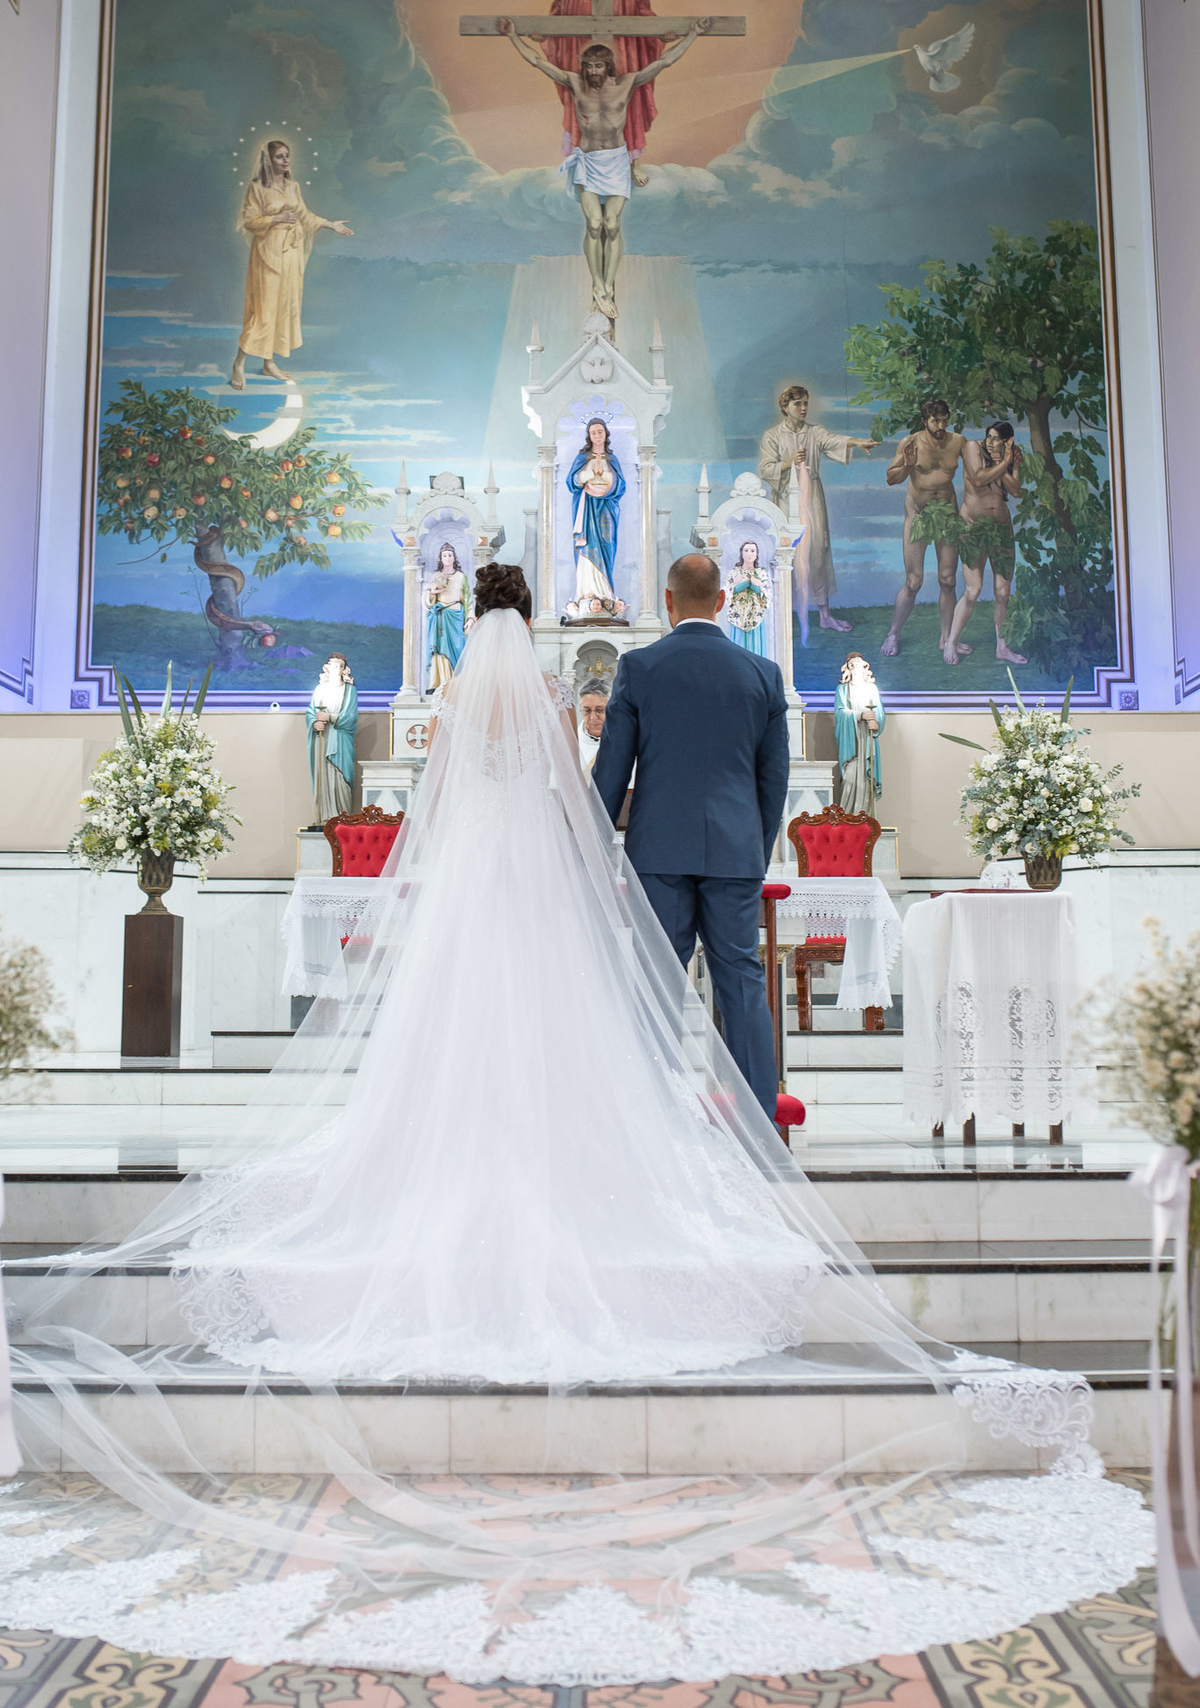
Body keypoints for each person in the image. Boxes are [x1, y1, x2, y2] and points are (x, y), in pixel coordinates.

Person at [1, 566, 1119, 1679]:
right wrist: (644, 837)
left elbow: (548, 783)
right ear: (538, 613)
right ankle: (736, 1141)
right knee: (713, 998)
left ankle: (592, 1123)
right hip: (685, 849)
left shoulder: (564, 676)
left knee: (526, 1017)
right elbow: (692, 782)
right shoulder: (682, 675)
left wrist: (603, 836)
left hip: (536, 871)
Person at [593, 552, 788, 1117]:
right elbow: (772, 779)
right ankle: (757, 1119)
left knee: (658, 981)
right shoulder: (762, 674)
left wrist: (591, 843)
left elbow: (612, 771)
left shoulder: (640, 667)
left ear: (669, 602)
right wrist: (754, 841)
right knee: (741, 980)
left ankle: (655, 1116)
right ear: (723, 602)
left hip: (659, 850)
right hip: (735, 848)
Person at [501, 17, 708, 318]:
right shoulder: (575, 84)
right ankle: (597, 285)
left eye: (598, 67)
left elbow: (664, 61)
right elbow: (537, 61)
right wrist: (511, 35)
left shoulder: (626, 83)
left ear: (608, 66)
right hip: (587, 162)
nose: (593, 72)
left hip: (615, 162)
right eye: (589, 66)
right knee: (594, 225)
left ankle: (608, 285)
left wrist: (693, 33)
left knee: (612, 225)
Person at [229, 140, 352, 389]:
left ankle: (268, 362)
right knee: (263, 311)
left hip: (291, 254)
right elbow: (250, 221)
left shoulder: (293, 187)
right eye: (279, 157)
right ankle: (238, 364)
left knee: (282, 307)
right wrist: (276, 219)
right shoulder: (257, 188)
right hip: (267, 254)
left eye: (287, 156)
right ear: (268, 160)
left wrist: (331, 225)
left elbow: (305, 216)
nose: (285, 161)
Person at [545, 0, 662, 180]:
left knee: (623, 103)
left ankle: (632, 162)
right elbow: (560, 8)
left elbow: (642, 7)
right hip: (582, 51)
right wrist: (545, 29)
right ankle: (582, 160)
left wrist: (659, 29)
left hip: (623, 51)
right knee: (585, 102)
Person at [757, 385, 876, 634]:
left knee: (818, 551)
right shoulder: (772, 435)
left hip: (811, 498)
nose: (803, 408)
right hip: (785, 499)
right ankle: (781, 615)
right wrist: (790, 462)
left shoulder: (814, 432)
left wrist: (859, 442)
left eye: (805, 403)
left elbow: (834, 440)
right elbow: (765, 469)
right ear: (785, 407)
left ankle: (824, 615)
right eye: (797, 403)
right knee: (786, 553)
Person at [880, 399, 966, 658]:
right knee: (913, 581)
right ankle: (893, 633)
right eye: (934, 421)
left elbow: (975, 470)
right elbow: (891, 478)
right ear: (924, 421)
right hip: (918, 516)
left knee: (948, 580)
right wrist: (907, 464)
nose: (940, 426)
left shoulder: (958, 441)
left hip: (948, 515)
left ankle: (946, 638)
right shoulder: (911, 442)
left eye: (944, 420)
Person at [943, 421, 1028, 667]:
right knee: (973, 590)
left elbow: (1015, 490)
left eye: (997, 439)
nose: (991, 443)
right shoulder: (973, 448)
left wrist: (1008, 461)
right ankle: (951, 640)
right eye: (989, 437)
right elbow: (978, 479)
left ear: (1008, 441)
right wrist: (1004, 462)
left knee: (1003, 592)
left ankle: (1002, 647)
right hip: (973, 527)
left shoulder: (1010, 455)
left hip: (1001, 527)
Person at [566, 416, 626, 614]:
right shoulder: (582, 459)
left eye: (600, 432)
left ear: (606, 434)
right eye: (593, 432)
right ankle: (587, 593)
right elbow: (571, 482)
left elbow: (621, 485)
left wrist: (608, 481)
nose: (597, 435)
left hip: (606, 508)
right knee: (588, 544)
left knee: (606, 545)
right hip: (587, 508)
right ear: (589, 436)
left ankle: (606, 593)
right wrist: (586, 476)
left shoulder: (613, 460)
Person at [305, 652, 357, 825]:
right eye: (334, 665)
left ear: (344, 669)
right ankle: (324, 817)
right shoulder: (320, 690)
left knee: (340, 779)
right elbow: (311, 711)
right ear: (327, 668)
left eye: (340, 666)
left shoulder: (349, 691)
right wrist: (314, 723)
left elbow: (350, 717)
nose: (337, 669)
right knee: (324, 777)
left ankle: (341, 817)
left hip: (341, 740)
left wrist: (331, 718)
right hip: (324, 738)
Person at [834, 652, 885, 816]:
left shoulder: (871, 689)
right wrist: (859, 715)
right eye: (853, 666)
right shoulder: (843, 689)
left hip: (867, 738)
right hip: (852, 739)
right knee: (850, 777)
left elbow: (880, 712)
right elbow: (840, 713)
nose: (858, 669)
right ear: (849, 669)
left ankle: (866, 816)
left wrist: (875, 723)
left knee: (866, 778)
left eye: (860, 666)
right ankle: (849, 815)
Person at [424, 541, 474, 691]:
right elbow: (427, 601)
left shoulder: (460, 577)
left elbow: (467, 599)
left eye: (450, 555)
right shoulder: (435, 576)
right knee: (439, 648)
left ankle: (456, 682)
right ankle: (438, 683)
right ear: (440, 558)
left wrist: (470, 617)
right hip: (440, 617)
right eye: (444, 555)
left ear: (454, 558)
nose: (447, 558)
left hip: (455, 615)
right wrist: (431, 593)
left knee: (457, 646)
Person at [725, 539, 771, 656]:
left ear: (756, 554)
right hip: (738, 616)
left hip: (756, 616)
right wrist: (747, 583)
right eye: (746, 550)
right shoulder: (734, 573)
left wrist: (752, 583)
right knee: (738, 651)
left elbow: (766, 595)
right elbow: (729, 592)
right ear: (741, 553)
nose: (749, 554)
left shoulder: (762, 574)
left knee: (755, 650)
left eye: (752, 551)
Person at [577, 678, 610, 772]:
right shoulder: (571, 743)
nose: (593, 717)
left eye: (599, 710)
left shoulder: (627, 742)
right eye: (587, 710)